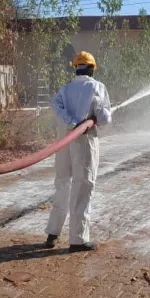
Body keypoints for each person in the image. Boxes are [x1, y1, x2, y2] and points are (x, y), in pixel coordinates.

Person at [45, 51, 112, 252]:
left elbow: (56, 108)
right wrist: (84, 124)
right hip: (84, 142)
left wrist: (72, 124)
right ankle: (78, 239)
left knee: (62, 184)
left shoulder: (64, 89)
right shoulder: (97, 87)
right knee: (83, 187)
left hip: (64, 142)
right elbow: (104, 118)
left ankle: (52, 233)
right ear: (92, 69)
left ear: (75, 68)